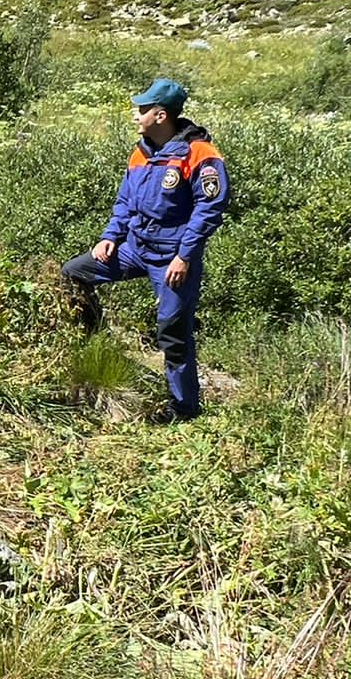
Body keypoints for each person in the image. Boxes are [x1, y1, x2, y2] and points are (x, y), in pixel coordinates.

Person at [61, 78, 230, 422]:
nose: (136, 115)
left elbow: (210, 209)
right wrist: (111, 236)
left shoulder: (201, 154)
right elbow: (125, 201)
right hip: (134, 247)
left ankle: (184, 411)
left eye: (142, 109)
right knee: (72, 273)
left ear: (161, 115)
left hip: (172, 259)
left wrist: (184, 256)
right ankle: (93, 340)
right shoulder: (140, 152)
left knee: (172, 332)